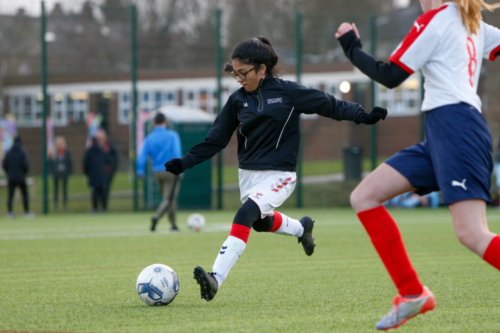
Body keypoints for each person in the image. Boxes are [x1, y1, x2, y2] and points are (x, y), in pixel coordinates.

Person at [164, 36, 387, 302]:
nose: (239, 79)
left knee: (246, 213)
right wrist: (184, 162)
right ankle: (301, 229)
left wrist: (362, 115)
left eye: (243, 73)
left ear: (262, 69)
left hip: (280, 175)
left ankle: (215, 279)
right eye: (235, 74)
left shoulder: (287, 93)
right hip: (248, 175)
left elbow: (329, 104)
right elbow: (215, 141)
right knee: (259, 223)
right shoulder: (237, 101)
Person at [336, 0, 500, 329]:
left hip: (458, 130)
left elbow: (391, 75)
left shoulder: (437, 20)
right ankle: (412, 293)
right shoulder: (472, 21)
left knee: (471, 234)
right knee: (364, 196)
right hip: (443, 132)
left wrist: (352, 48)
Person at [137, 112, 182, 232]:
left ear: (153, 123)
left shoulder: (149, 138)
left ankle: (173, 224)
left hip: (157, 172)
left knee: (168, 199)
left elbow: (141, 156)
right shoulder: (172, 135)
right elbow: (177, 153)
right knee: (169, 199)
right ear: (165, 123)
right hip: (171, 171)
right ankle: (156, 217)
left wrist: (140, 170)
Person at [2, 136, 34, 219]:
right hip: (21, 177)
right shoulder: (22, 153)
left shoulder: (8, 153)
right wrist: (23, 173)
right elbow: (26, 165)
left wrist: (9, 173)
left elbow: (4, 165)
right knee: (25, 195)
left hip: (11, 177)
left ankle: (10, 212)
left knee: (10, 195)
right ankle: (26, 212)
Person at [96, 129, 118, 211]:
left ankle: (104, 207)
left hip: (107, 173)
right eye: (99, 137)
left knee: (105, 189)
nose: (100, 139)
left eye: (102, 137)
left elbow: (115, 161)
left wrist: (111, 170)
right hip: (97, 173)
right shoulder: (94, 149)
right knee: (97, 190)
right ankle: (96, 207)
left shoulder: (110, 148)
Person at [83, 137, 107, 213]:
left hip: (92, 175)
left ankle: (95, 208)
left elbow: (85, 164)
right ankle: (104, 208)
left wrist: (87, 173)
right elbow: (107, 161)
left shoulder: (88, 152)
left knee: (94, 192)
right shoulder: (102, 150)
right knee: (102, 191)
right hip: (101, 175)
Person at [49, 136, 73, 210]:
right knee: (55, 188)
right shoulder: (54, 153)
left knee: (64, 188)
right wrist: (51, 172)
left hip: (64, 173)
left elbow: (70, 163)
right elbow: (50, 163)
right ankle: (56, 204)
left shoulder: (67, 152)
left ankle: (64, 204)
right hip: (56, 173)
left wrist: (69, 171)